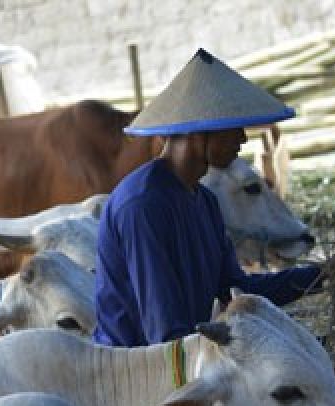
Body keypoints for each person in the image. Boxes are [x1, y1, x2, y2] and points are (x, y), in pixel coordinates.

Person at [93, 48, 322, 347]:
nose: (242, 138)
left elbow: (237, 287)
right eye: (232, 128)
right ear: (198, 133)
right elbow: (164, 334)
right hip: (133, 371)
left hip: (182, 354)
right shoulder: (143, 205)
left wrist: (322, 276)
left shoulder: (204, 202)